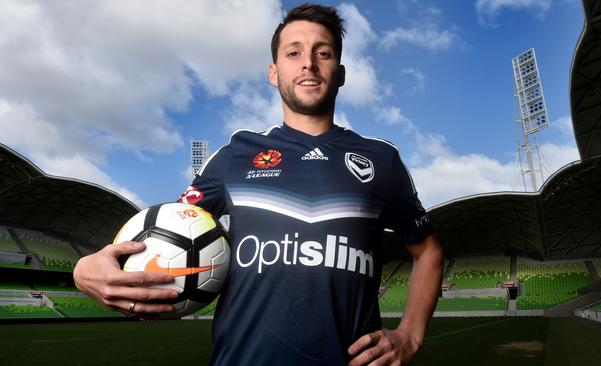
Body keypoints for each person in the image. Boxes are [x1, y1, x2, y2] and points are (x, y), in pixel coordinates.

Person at [73, 3, 443, 365]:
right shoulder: (236, 153)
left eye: (323, 53)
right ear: (273, 72)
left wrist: (409, 335)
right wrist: (85, 269)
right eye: (293, 52)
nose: (308, 64)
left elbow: (427, 252)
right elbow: (169, 232)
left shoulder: (380, 159)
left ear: (341, 72)